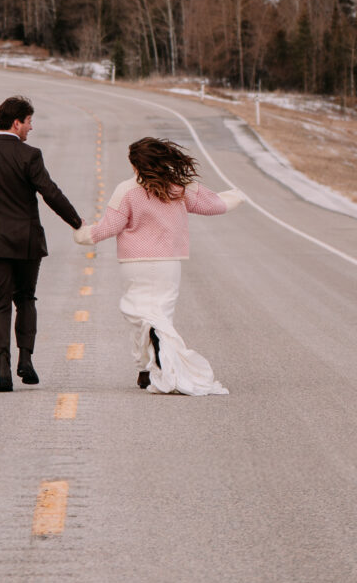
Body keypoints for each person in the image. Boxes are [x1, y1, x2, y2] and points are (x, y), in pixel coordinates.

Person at [76, 137, 244, 396]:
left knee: (137, 313)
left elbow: (109, 227)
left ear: (136, 165)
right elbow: (213, 205)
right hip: (167, 262)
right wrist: (236, 196)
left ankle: (144, 368)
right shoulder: (177, 188)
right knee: (161, 314)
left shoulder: (126, 190)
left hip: (134, 263)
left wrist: (83, 234)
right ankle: (162, 363)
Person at [0, 95, 82, 392]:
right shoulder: (30, 156)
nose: (31, 128)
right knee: (25, 299)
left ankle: (2, 368)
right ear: (16, 122)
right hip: (25, 242)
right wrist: (77, 223)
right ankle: (25, 361)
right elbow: (50, 193)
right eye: (28, 122)